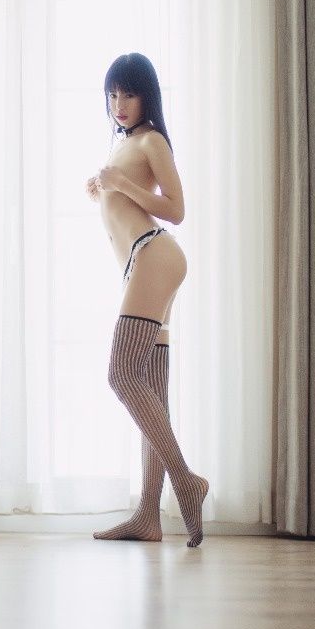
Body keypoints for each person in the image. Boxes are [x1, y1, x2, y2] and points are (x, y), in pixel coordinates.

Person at [86, 52, 209, 547]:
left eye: (130, 94)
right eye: (113, 94)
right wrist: (103, 190)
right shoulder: (125, 143)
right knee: (151, 391)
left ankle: (186, 481)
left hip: (153, 254)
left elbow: (176, 209)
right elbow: (126, 201)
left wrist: (120, 184)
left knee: (121, 373)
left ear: (147, 97)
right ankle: (147, 516)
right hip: (143, 262)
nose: (120, 103)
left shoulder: (152, 139)